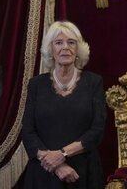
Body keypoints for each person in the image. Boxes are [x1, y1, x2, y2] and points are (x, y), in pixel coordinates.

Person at [22, 21, 106, 189]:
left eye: (71, 42)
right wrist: (57, 164)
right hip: (43, 173)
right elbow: (28, 132)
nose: (65, 47)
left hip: (83, 173)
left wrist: (62, 154)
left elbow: (97, 130)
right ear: (51, 50)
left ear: (78, 50)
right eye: (58, 42)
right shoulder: (36, 85)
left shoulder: (94, 82)